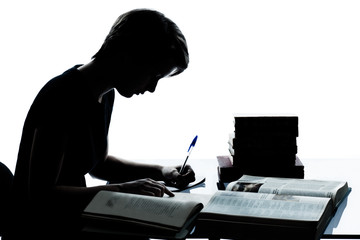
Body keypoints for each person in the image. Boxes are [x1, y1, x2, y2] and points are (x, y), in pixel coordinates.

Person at [6, 9, 194, 240]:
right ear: (128, 55)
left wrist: (161, 172)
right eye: (153, 75)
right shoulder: (62, 97)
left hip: (71, 219)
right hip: (41, 230)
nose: (152, 88)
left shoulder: (104, 94)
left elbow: (100, 165)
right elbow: (41, 195)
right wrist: (122, 191)